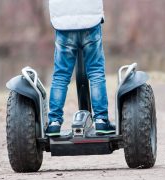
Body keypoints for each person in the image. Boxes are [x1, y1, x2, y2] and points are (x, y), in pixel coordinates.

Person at [47, 0, 115, 136]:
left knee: (61, 76)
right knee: (96, 72)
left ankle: (54, 123)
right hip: (90, 20)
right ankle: (101, 120)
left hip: (63, 22)